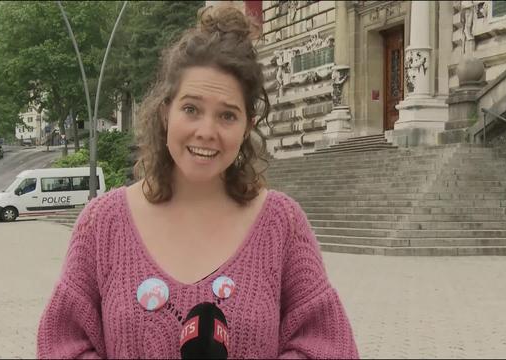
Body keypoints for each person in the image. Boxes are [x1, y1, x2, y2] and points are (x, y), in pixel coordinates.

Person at [37, 5, 358, 359]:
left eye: (227, 115)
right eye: (191, 109)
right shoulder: (102, 223)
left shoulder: (282, 223)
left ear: (247, 126)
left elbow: (327, 346)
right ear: (165, 113)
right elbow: (63, 344)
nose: (206, 132)